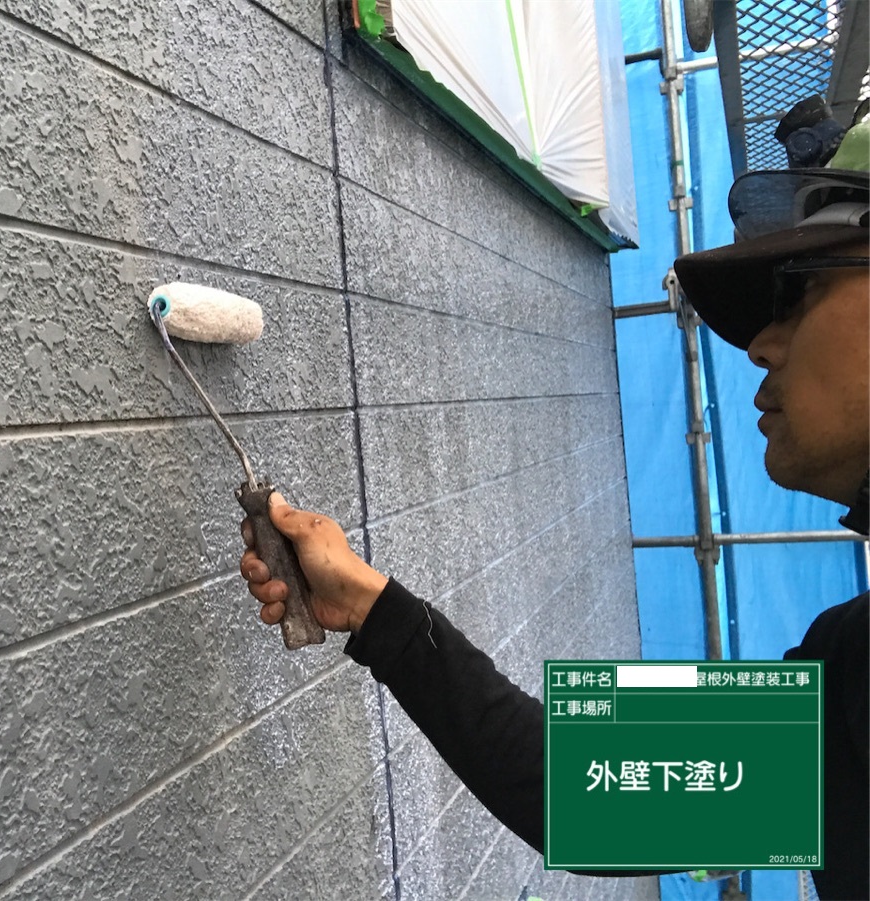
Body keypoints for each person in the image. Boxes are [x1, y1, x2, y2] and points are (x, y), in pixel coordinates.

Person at [239, 103, 869, 900]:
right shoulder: (852, 659)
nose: (761, 344)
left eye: (802, 290)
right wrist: (369, 605)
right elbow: (594, 785)